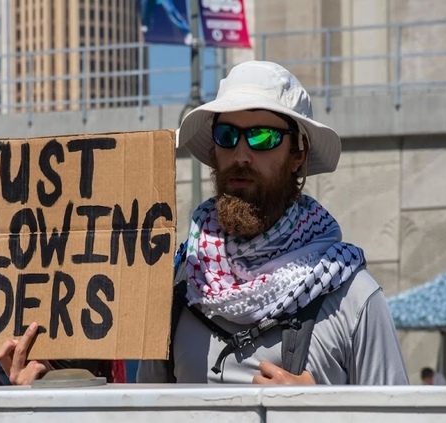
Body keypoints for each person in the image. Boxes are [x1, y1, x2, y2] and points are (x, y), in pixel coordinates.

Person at [135, 60, 409, 385]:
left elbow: (398, 409)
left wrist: (321, 407)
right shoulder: (179, 286)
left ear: (298, 155)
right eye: (227, 135)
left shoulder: (352, 296)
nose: (240, 155)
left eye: (263, 137)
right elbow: (144, 406)